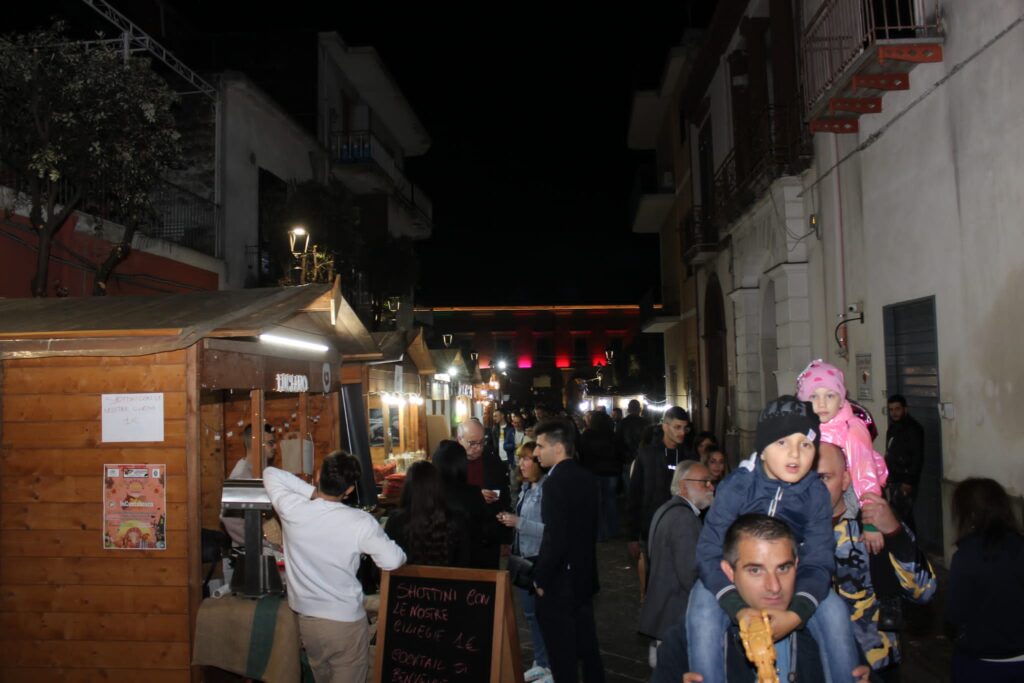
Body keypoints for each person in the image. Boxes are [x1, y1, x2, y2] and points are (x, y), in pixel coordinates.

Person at [687, 395, 861, 683]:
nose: (795, 455)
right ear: (763, 450)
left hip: (791, 577)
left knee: (835, 613)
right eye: (782, 443)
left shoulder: (816, 494)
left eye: (805, 445)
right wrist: (738, 608)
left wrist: (795, 615)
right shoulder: (738, 486)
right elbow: (708, 551)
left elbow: (819, 559)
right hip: (730, 574)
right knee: (703, 611)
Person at [654, 515, 870, 683]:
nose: (774, 587)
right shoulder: (689, 638)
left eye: (783, 568)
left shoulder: (828, 628)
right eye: (756, 571)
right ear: (729, 572)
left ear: (797, 566)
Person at [263, 452, 405, 683]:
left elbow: (271, 473)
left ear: (318, 475)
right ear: (349, 490)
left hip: (307, 622)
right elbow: (392, 560)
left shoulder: (292, 509)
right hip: (345, 623)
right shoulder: (360, 522)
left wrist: (313, 493)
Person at [817, 440, 936, 681]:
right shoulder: (786, 530)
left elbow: (924, 591)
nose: (814, 490)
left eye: (823, 478)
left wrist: (894, 532)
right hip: (816, 665)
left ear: (846, 479)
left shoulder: (874, 522)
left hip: (876, 663)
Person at [532, 419, 604, 683]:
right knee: (588, 649)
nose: (536, 452)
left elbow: (555, 538)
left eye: (540, 446)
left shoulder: (553, 484)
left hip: (560, 583)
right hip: (584, 576)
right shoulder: (587, 478)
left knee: (563, 657)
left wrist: (540, 577)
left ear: (558, 447)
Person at [797, 359, 889, 553]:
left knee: (846, 541)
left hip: (855, 491)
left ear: (841, 399)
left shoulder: (851, 429)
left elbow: (866, 474)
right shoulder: (803, 428)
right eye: (814, 396)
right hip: (817, 497)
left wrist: (871, 524)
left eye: (830, 395)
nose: (822, 403)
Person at [947, 478, 1024, 682]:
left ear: (969, 514)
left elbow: (954, 613)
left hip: (980, 662)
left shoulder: (965, 556)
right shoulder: (1019, 546)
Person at [639, 460, 714, 667]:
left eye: (710, 481)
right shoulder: (684, 518)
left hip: (664, 615)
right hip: (674, 617)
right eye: (704, 482)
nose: (711, 487)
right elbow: (690, 575)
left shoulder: (666, 509)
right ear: (683, 485)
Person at [498, 442, 551, 683]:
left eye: (527, 459)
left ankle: (549, 666)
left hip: (538, 559)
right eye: (520, 459)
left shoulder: (547, 490)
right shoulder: (527, 487)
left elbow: (551, 531)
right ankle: (540, 662)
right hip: (523, 558)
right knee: (530, 615)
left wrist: (518, 523)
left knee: (542, 615)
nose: (521, 463)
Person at [627, 406, 694, 561]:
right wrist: (633, 536)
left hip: (681, 527)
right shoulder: (648, 454)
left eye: (685, 428)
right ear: (665, 426)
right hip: (652, 526)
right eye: (677, 427)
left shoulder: (688, 455)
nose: (682, 432)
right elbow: (635, 493)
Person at [384, 460, 471, 567]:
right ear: (438, 487)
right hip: (448, 582)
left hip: (406, 583)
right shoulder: (457, 519)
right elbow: (465, 561)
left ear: (408, 487)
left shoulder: (395, 520)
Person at [432, 440, 501, 569]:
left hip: (434, 569)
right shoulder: (472, 493)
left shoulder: (427, 494)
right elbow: (489, 534)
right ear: (462, 464)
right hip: (470, 569)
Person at [221, 423, 277, 546]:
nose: (275, 447)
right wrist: (257, 543)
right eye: (271, 443)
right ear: (257, 445)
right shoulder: (242, 475)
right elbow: (229, 519)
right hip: (248, 552)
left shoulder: (259, 471)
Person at [579, 409, 621, 541]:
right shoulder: (612, 435)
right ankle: (613, 531)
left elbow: (583, 453)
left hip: (594, 472)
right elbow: (618, 453)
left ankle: (599, 534)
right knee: (611, 502)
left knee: (597, 504)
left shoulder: (588, 434)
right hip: (611, 473)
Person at [884, 394, 924, 528]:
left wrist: (908, 482)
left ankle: (911, 546)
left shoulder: (913, 429)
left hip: (905, 480)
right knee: (899, 516)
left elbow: (917, 457)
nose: (894, 413)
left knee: (904, 518)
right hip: (895, 478)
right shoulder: (893, 428)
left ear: (905, 409)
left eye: (897, 409)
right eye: (891, 410)